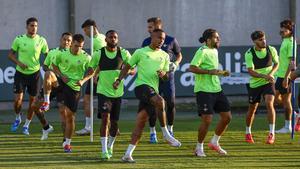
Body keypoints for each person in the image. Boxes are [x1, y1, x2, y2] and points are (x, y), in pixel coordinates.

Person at [114, 29, 181, 163]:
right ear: (152, 37)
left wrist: (164, 75)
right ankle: (166, 133)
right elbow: (127, 66)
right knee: (161, 102)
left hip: (152, 92)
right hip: (141, 88)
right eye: (159, 38)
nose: (161, 41)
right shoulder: (140, 52)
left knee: (140, 123)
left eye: (163, 39)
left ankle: (128, 154)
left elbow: (166, 77)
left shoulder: (165, 55)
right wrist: (118, 80)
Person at [40, 34, 92, 152]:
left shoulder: (86, 57)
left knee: (70, 117)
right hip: (61, 83)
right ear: (71, 43)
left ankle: (67, 143)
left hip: (74, 88)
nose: (77, 48)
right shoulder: (62, 54)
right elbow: (53, 65)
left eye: (80, 46)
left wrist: (83, 80)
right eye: (75, 45)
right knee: (48, 74)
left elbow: (92, 71)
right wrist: (61, 76)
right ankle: (46, 101)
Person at [88, 30, 132, 160]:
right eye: (110, 37)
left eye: (115, 37)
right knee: (105, 119)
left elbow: (132, 67)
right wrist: (90, 75)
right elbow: (91, 68)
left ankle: (110, 145)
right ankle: (103, 150)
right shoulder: (98, 54)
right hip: (103, 92)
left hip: (118, 93)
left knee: (114, 123)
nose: (113, 39)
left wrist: (128, 71)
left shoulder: (123, 53)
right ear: (105, 39)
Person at [189, 29, 231, 157]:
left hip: (217, 89)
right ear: (208, 40)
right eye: (216, 38)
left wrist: (221, 73)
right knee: (207, 120)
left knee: (227, 117)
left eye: (218, 37)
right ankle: (199, 147)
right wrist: (209, 72)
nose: (218, 39)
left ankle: (214, 142)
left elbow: (212, 70)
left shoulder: (214, 50)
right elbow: (192, 67)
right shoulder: (202, 51)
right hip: (203, 91)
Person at [142, 17, 182, 143]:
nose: (148, 29)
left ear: (158, 26)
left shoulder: (171, 40)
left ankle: (170, 130)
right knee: (153, 104)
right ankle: (152, 131)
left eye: (150, 27)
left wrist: (175, 63)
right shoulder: (146, 41)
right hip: (153, 78)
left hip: (167, 77)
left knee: (170, 103)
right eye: (148, 27)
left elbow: (179, 54)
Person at [8, 17, 49, 135]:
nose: (34, 28)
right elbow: (10, 55)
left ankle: (26, 125)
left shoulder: (42, 40)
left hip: (35, 75)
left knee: (33, 102)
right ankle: (17, 117)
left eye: (36, 26)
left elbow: (48, 55)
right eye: (31, 25)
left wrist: (47, 67)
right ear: (27, 27)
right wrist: (19, 63)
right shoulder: (19, 39)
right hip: (20, 74)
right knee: (17, 100)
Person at [34, 32, 72, 140]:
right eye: (64, 39)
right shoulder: (53, 52)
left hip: (65, 86)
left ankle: (65, 141)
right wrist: (54, 71)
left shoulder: (73, 54)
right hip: (53, 82)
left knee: (63, 112)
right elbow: (45, 66)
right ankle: (46, 126)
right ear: (60, 39)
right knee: (35, 106)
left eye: (69, 40)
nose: (66, 42)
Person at [244, 30, 279, 144]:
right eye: (260, 40)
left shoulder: (271, 49)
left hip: (268, 82)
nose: (264, 41)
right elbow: (251, 71)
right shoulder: (249, 53)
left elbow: (277, 63)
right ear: (254, 41)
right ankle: (248, 132)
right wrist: (265, 76)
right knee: (252, 109)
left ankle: (271, 134)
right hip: (255, 85)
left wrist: (271, 74)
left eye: (264, 38)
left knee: (269, 103)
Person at [75, 19, 107, 135]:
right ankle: (113, 126)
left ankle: (89, 127)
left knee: (88, 99)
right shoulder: (103, 37)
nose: (85, 33)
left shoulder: (96, 41)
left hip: (98, 74)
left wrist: (96, 74)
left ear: (91, 28)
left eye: (85, 30)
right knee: (104, 99)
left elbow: (101, 59)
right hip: (101, 74)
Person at [275, 19, 296, 133]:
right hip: (280, 74)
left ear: (290, 30)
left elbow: (291, 63)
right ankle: (295, 115)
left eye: (285, 29)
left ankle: (288, 126)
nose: (282, 30)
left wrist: (286, 78)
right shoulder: (285, 40)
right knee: (274, 98)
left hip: (285, 76)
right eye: (282, 28)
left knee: (286, 100)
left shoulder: (291, 43)